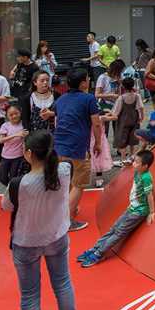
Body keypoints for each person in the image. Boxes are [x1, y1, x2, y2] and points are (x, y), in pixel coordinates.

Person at [1, 130, 80, 310]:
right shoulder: (64, 170)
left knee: (30, 295)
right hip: (56, 236)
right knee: (63, 283)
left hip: (26, 242)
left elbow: (6, 206)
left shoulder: (19, 184)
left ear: (28, 154)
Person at [77, 149, 155, 267]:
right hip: (132, 208)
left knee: (119, 232)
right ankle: (95, 248)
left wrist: (151, 212)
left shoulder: (146, 177)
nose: (134, 164)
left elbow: (150, 195)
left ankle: (99, 253)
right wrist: (129, 163)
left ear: (145, 166)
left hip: (138, 211)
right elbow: (132, 172)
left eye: (137, 162)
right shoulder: (137, 172)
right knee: (113, 229)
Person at [52, 68, 102, 231]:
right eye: (87, 79)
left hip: (59, 145)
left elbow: (59, 119)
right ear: (82, 83)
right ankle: (66, 220)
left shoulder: (61, 100)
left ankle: (67, 210)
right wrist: (98, 143)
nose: (89, 81)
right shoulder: (89, 99)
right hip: (78, 146)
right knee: (79, 183)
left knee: (65, 181)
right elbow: (96, 123)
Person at [109, 76, 144, 164]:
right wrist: (141, 117)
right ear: (132, 85)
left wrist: (110, 113)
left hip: (123, 122)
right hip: (134, 120)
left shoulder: (121, 98)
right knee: (132, 138)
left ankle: (123, 158)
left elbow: (116, 111)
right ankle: (132, 156)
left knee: (122, 140)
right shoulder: (137, 96)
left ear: (123, 87)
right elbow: (141, 107)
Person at [0, 104, 28, 186]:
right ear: (7, 116)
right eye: (11, 115)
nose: (14, 116)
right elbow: (1, 140)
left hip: (18, 157)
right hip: (5, 156)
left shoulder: (24, 125)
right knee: (2, 178)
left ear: (20, 113)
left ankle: (13, 191)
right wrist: (16, 135)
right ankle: (11, 188)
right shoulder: (5, 125)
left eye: (16, 113)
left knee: (13, 178)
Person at [9, 49, 39, 125]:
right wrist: (12, 71)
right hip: (17, 91)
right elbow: (15, 68)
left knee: (24, 111)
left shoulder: (34, 67)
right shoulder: (20, 63)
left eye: (19, 57)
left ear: (25, 57)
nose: (17, 58)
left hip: (26, 93)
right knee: (17, 110)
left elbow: (35, 80)